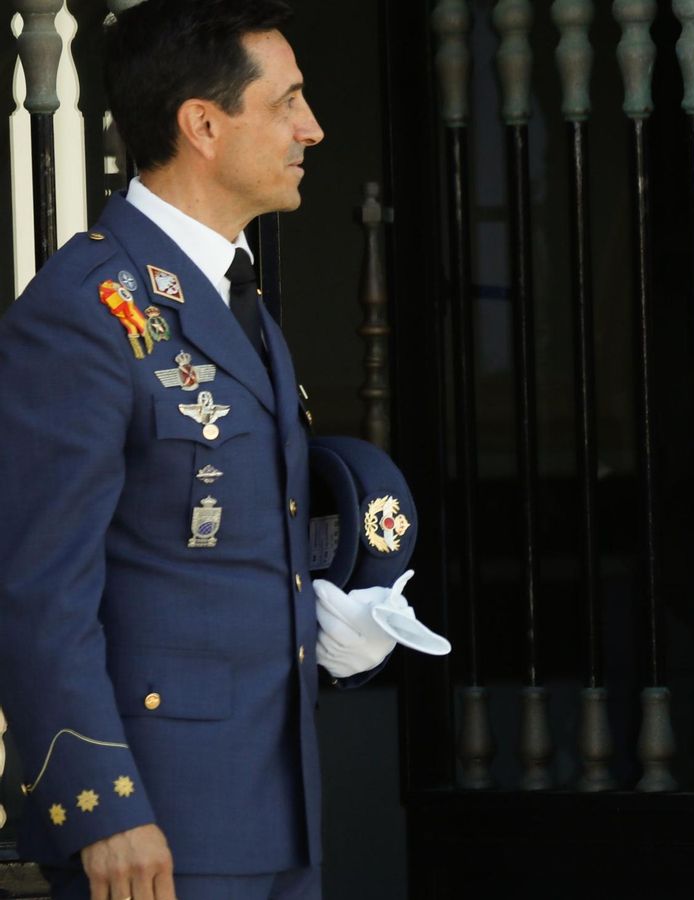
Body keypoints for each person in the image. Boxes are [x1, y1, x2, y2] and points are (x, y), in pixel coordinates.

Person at [0, 2, 420, 897]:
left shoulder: (232, 295)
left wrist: (333, 615)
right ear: (202, 124)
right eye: (288, 102)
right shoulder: (86, 310)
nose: (312, 127)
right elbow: (37, 587)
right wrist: (102, 806)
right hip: (156, 828)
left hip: (275, 806)